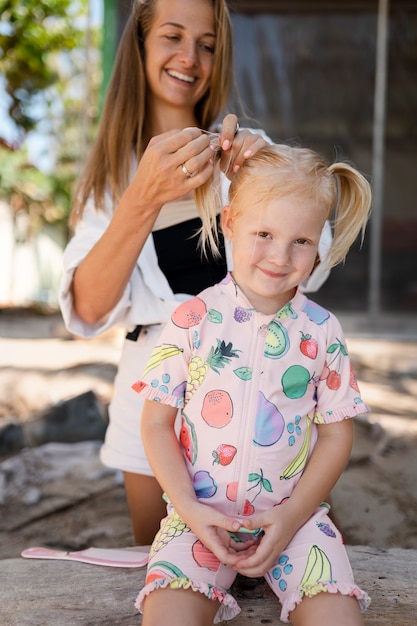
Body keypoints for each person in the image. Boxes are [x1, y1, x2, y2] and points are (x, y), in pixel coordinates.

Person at [59, 0, 331, 546]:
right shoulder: (112, 183)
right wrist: (141, 199)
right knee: (169, 574)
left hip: (269, 393)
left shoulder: (248, 152)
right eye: (173, 36)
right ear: (138, 47)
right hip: (153, 407)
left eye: (207, 44)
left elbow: (315, 264)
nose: (190, 57)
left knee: (301, 563)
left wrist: (262, 183)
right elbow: (86, 310)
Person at [133, 142, 372, 626]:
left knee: (337, 618)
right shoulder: (191, 319)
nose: (280, 256)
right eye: (264, 232)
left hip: (296, 519)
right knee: (169, 617)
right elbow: (156, 424)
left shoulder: (322, 331)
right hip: (197, 517)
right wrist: (189, 511)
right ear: (230, 223)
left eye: (301, 241)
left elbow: (335, 432)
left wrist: (290, 519)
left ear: (319, 243)